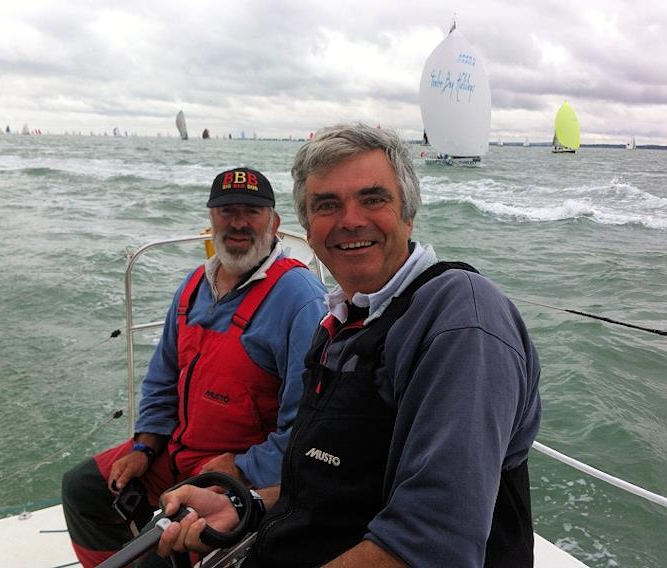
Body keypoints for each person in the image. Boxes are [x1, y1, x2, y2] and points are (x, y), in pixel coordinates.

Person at [155, 124, 542, 567]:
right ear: (308, 228)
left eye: (373, 198)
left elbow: (433, 546)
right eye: (327, 205)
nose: (350, 219)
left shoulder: (460, 321)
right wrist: (249, 506)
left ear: (408, 214)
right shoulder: (344, 318)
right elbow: (338, 480)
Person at [61, 167, 328, 567]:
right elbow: (162, 378)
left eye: (252, 211)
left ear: (273, 223)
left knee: (157, 552)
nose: (238, 222)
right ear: (210, 219)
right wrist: (144, 445)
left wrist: (241, 467)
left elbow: (306, 426)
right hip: (176, 452)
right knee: (83, 489)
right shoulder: (193, 286)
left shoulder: (300, 299)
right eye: (226, 210)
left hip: (240, 473)